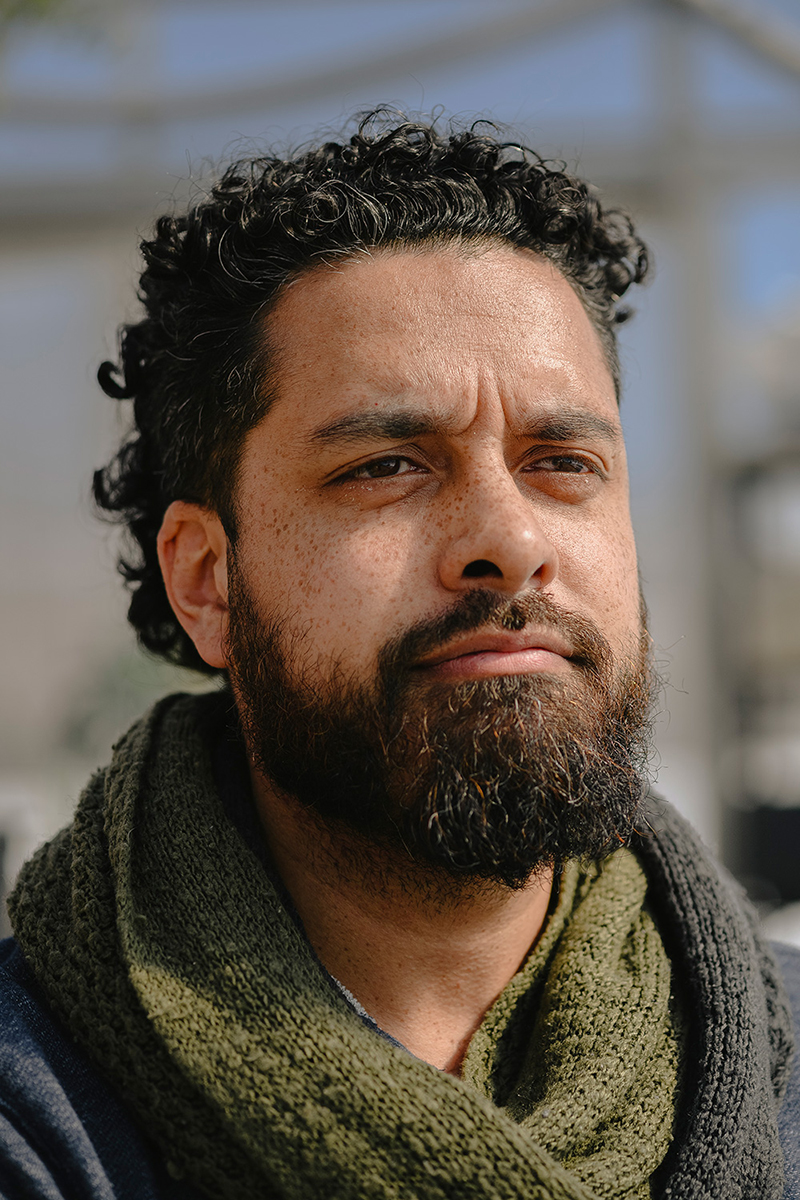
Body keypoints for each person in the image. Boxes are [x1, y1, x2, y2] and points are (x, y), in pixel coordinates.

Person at [0, 112, 797, 1200]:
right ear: (204, 580)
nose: (508, 544)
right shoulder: (41, 1116)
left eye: (561, 461)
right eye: (385, 466)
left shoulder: (777, 1055)